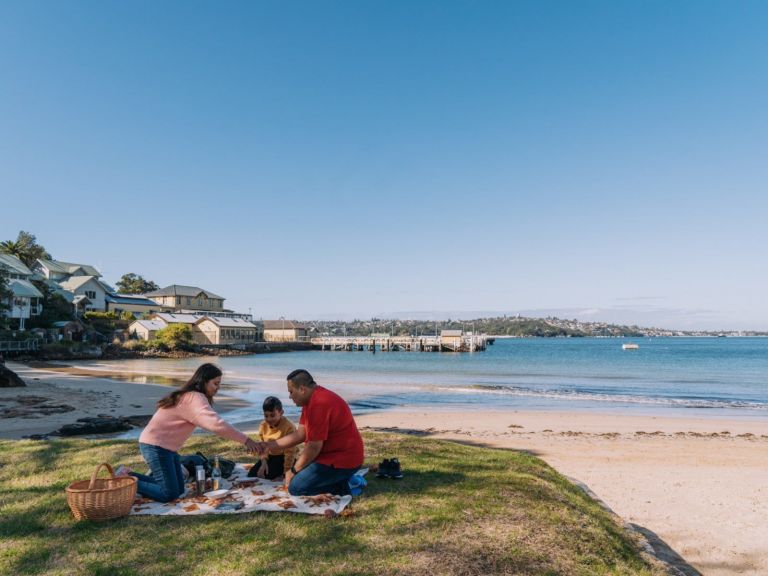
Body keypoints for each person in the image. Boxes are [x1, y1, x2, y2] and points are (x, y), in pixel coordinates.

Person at [129, 363, 259, 502]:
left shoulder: (191, 396)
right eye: (215, 383)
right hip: (155, 446)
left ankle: (128, 475)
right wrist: (246, 440)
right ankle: (124, 481)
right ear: (204, 381)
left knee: (179, 490)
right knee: (169, 494)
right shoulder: (194, 398)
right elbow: (216, 424)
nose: (218, 388)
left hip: (166, 449)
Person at [258, 369, 364, 496]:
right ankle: (340, 479)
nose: (290, 396)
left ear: (302, 389)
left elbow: (314, 446)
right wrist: (269, 446)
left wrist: (293, 470)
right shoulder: (309, 401)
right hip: (327, 457)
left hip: (343, 460)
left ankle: (347, 484)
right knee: (299, 478)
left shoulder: (319, 404)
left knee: (296, 488)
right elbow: (300, 434)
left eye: (291, 392)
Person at [247, 396, 296, 480]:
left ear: (281, 412)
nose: (269, 419)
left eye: (272, 415)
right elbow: (262, 448)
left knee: (268, 476)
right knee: (252, 474)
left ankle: (286, 471)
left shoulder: (289, 427)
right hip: (270, 456)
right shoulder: (263, 425)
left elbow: (290, 453)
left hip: (284, 457)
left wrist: (286, 474)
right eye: (266, 416)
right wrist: (263, 463)